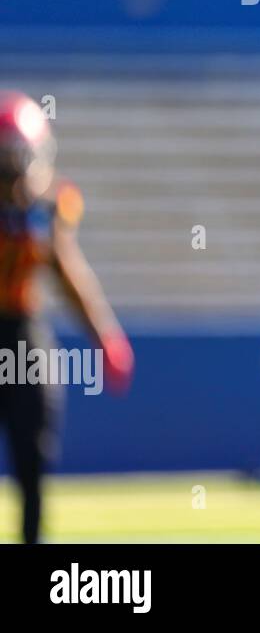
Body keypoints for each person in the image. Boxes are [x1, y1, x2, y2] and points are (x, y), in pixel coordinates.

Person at [0, 90, 133, 543]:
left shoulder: (48, 207)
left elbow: (66, 268)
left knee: (33, 445)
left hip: (22, 328)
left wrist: (105, 334)